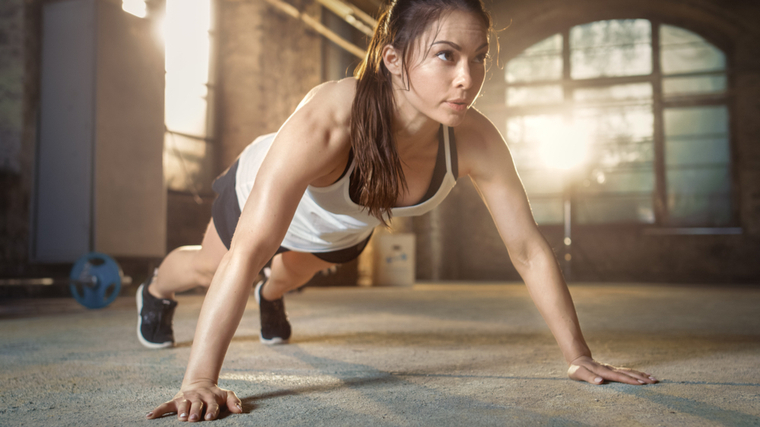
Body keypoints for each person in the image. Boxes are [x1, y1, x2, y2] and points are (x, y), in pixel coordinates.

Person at [141, 0, 658, 421]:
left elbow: (526, 250)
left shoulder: (474, 138)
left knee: (288, 275)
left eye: (478, 58)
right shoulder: (329, 119)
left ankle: (271, 297)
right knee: (217, 268)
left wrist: (578, 356)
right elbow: (247, 250)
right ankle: (156, 291)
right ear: (393, 60)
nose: (467, 78)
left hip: (340, 223)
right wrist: (200, 380)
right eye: (446, 56)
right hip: (262, 193)